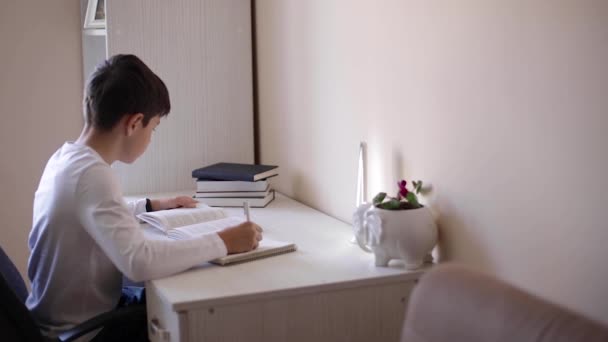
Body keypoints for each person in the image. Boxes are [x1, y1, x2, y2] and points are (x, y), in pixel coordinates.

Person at [26, 54, 263, 341]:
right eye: (154, 128)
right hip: (85, 333)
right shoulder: (93, 176)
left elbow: (89, 211)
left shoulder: (67, 159)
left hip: (57, 320)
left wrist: (151, 205)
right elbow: (140, 262)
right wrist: (224, 242)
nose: (151, 137)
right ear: (134, 123)